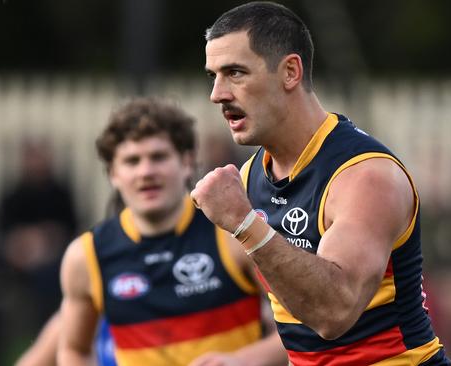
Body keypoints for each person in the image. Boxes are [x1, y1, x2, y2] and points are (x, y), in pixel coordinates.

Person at [191, 2, 450, 365]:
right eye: (213, 76)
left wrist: (246, 225)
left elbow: (334, 313)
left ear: (290, 72)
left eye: (235, 73)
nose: (217, 94)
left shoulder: (365, 175)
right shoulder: (249, 178)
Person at [53, 97, 286, 366]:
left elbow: (303, 325)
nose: (146, 171)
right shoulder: (87, 255)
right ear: (113, 174)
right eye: (132, 161)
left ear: (187, 162)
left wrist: (239, 361)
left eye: (158, 157)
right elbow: (74, 350)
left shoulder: (229, 233)